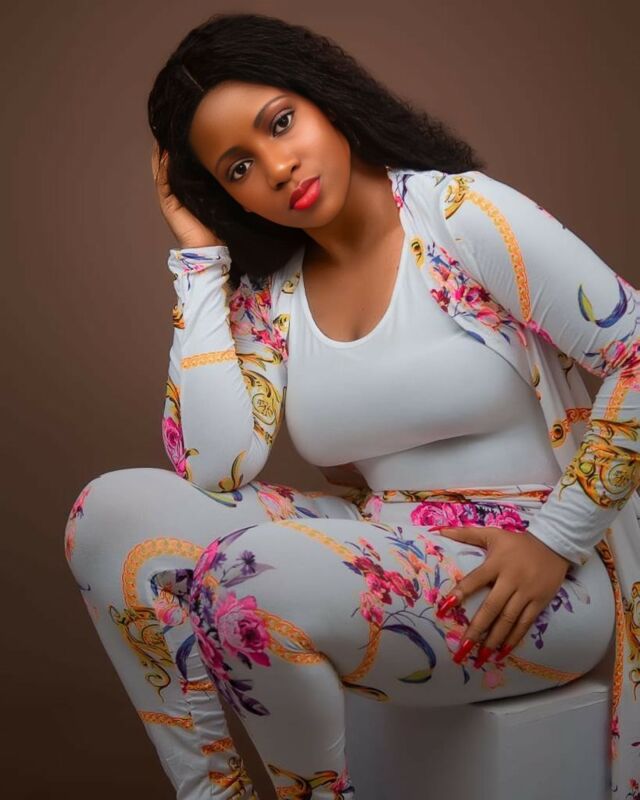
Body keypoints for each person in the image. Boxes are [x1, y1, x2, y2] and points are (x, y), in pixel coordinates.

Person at [64, 11, 640, 800]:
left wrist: (554, 539)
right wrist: (199, 261)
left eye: (280, 122)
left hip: (533, 575)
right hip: (384, 541)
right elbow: (213, 466)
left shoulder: (458, 214)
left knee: (248, 581)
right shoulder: (274, 294)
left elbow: (636, 352)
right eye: (238, 167)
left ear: (325, 96)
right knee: (110, 515)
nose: (277, 167)